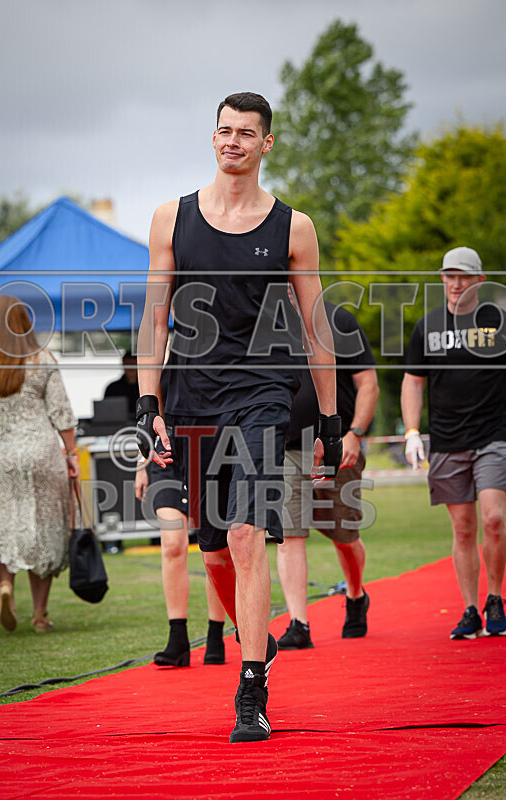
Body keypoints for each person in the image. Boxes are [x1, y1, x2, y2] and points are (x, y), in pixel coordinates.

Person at [136, 92, 341, 742]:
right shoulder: (172, 218)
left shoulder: (292, 227)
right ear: (214, 137)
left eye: (245, 133)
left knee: (251, 537)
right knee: (214, 548)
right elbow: (153, 321)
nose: (232, 141)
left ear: (265, 144)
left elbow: (316, 331)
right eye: (223, 130)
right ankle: (257, 641)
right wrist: (149, 407)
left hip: (260, 395)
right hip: (192, 397)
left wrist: (330, 423)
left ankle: (250, 688)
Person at [401, 246, 506, 639]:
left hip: (494, 435)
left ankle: (495, 598)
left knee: (493, 519)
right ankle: (469, 609)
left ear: (479, 279)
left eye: (463, 275)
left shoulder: (498, 322)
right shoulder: (427, 327)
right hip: (447, 440)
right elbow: (413, 381)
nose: (456, 282)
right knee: (463, 528)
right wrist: (412, 432)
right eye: (449, 275)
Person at [0, 295, 79, 633]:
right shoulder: (42, 360)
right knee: (42, 527)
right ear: (24, 322)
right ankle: (40, 615)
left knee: (0, 524)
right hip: (39, 452)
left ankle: (5, 585)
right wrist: (71, 455)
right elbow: (62, 414)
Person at [277, 302, 379, 647]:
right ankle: (298, 623)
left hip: (337, 447)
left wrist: (355, 433)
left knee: (344, 535)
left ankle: (355, 594)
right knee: (289, 534)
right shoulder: (266, 322)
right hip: (287, 447)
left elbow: (368, 384)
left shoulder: (338, 320)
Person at [135, 431, 227, 667]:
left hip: (209, 450)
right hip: (166, 457)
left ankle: (216, 636)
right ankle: (177, 638)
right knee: (173, 545)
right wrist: (141, 463)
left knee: (214, 551)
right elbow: (148, 411)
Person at [103, 350, 140, 417]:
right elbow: (106, 411)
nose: (131, 368)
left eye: (133, 364)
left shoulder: (146, 388)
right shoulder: (112, 388)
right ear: (123, 365)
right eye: (128, 364)